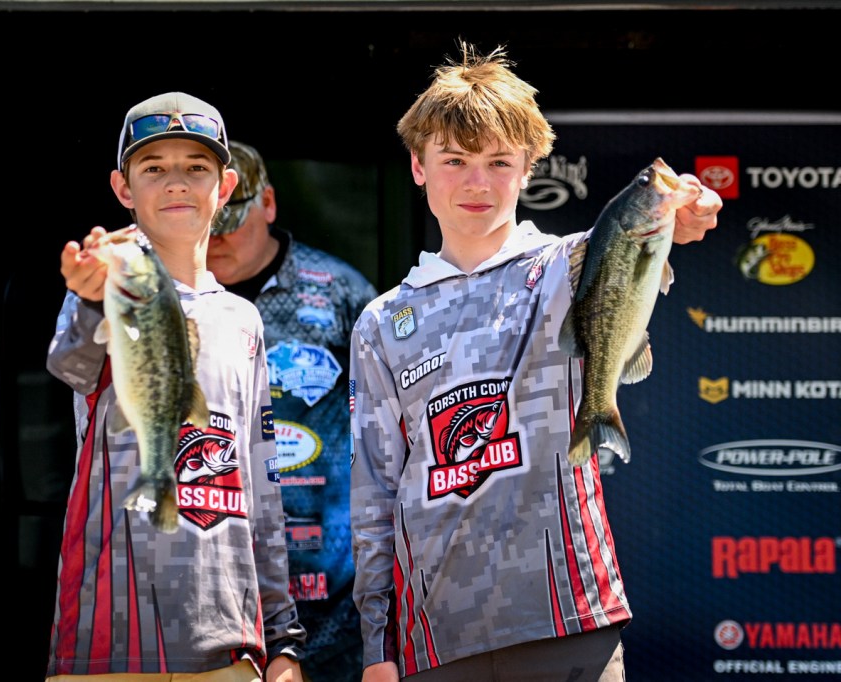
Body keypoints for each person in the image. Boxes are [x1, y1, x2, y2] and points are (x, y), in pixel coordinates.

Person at [348, 43, 723, 682]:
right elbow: (374, 494)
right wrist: (376, 645)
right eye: (454, 160)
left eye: (499, 161)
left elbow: (644, 234)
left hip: (570, 618)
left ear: (527, 169)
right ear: (417, 166)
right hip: (434, 639)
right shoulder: (382, 321)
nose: (477, 182)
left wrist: (684, 211)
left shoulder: (567, 265)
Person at [45, 91, 306, 681]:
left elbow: (263, 492)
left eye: (195, 167)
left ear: (226, 185)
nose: (176, 184)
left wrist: (283, 640)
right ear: (122, 188)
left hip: (230, 643)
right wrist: (91, 297)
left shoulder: (243, 320)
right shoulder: (107, 285)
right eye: (154, 168)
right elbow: (71, 366)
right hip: (108, 643)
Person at [206, 141, 378, 682]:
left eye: (229, 223)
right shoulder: (173, 300)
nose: (216, 239)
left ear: (269, 204)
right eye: (206, 225)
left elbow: (390, 432)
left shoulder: (341, 292)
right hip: (211, 579)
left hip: (331, 589)